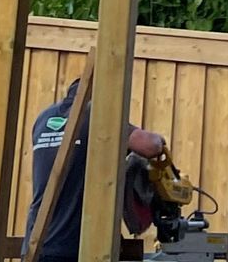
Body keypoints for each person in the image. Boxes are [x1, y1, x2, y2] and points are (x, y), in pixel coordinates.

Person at [22, 75, 166, 260]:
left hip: (36, 241)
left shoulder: (43, 118)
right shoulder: (97, 116)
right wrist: (160, 142)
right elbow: (150, 146)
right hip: (74, 246)